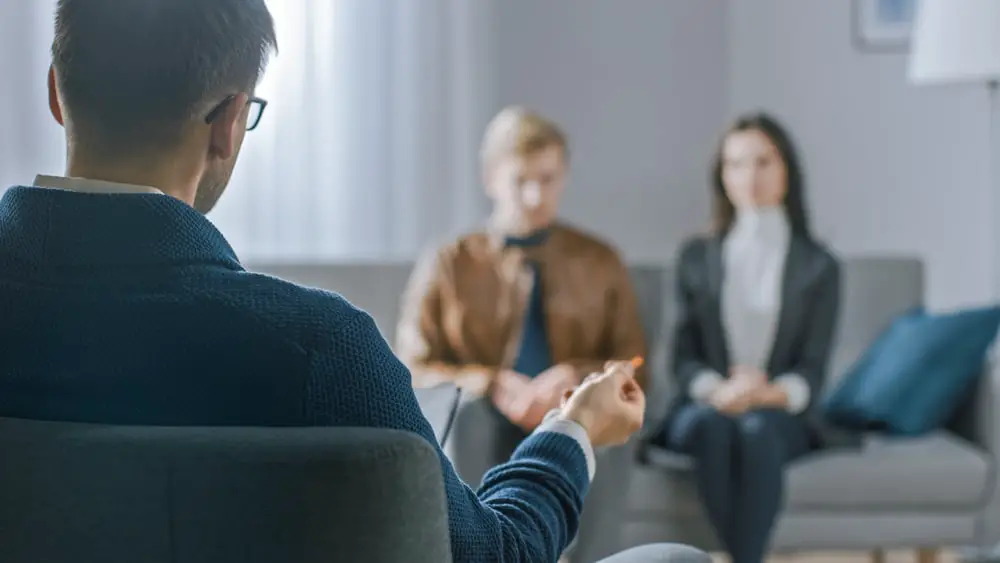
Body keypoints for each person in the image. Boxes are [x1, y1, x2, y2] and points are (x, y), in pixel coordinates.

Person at [0, 2, 706, 563]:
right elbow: (497, 553)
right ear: (226, 127)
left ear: (58, 92)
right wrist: (574, 426)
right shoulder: (320, 347)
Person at [396, 106, 649, 562]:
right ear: (491, 178)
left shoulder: (600, 260)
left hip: (572, 407)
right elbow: (412, 366)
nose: (535, 196)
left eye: (548, 179)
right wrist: (491, 383)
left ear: (565, 176)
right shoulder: (450, 261)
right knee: (469, 414)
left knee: (606, 418)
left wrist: (576, 375)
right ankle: (479, 553)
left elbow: (631, 361)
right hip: (486, 414)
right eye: (520, 181)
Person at [656, 113, 841, 563]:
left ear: (786, 171)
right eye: (736, 164)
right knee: (714, 427)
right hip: (706, 407)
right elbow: (681, 359)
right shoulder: (696, 256)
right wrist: (720, 391)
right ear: (721, 175)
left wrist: (767, 393)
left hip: (778, 412)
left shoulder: (819, 266)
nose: (750, 176)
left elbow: (812, 370)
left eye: (763, 162)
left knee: (756, 430)